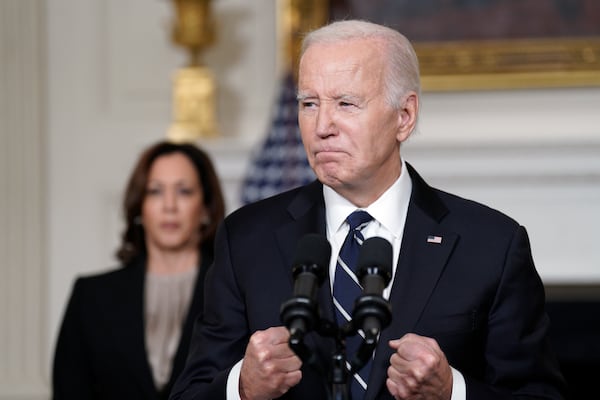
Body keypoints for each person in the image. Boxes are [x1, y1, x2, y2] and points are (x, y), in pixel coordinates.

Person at [170, 20, 566, 400]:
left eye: (346, 103)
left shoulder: (492, 245)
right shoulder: (246, 239)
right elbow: (190, 392)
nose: (322, 125)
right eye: (309, 103)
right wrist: (242, 387)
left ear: (404, 117)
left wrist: (452, 392)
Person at [52, 140, 225, 400]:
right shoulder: (90, 296)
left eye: (184, 191)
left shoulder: (231, 291)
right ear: (139, 208)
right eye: (155, 191)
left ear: (205, 209)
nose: (169, 206)